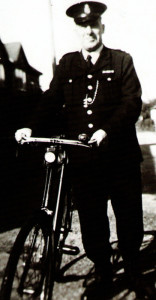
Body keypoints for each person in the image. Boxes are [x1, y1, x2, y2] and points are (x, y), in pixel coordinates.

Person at [15, 1, 144, 298]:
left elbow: (131, 103)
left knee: (129, 220)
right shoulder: (68, 64)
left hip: (120, 157)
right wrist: (30, 127)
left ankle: (134, 269)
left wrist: (106, 130)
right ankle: (104, 271)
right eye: (83, 26)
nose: (89, 31)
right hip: (84, 161)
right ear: (76, 30)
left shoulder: (121, 60)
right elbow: (50, 99)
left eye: (93, 25)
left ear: (102, 27)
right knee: (93, 222)